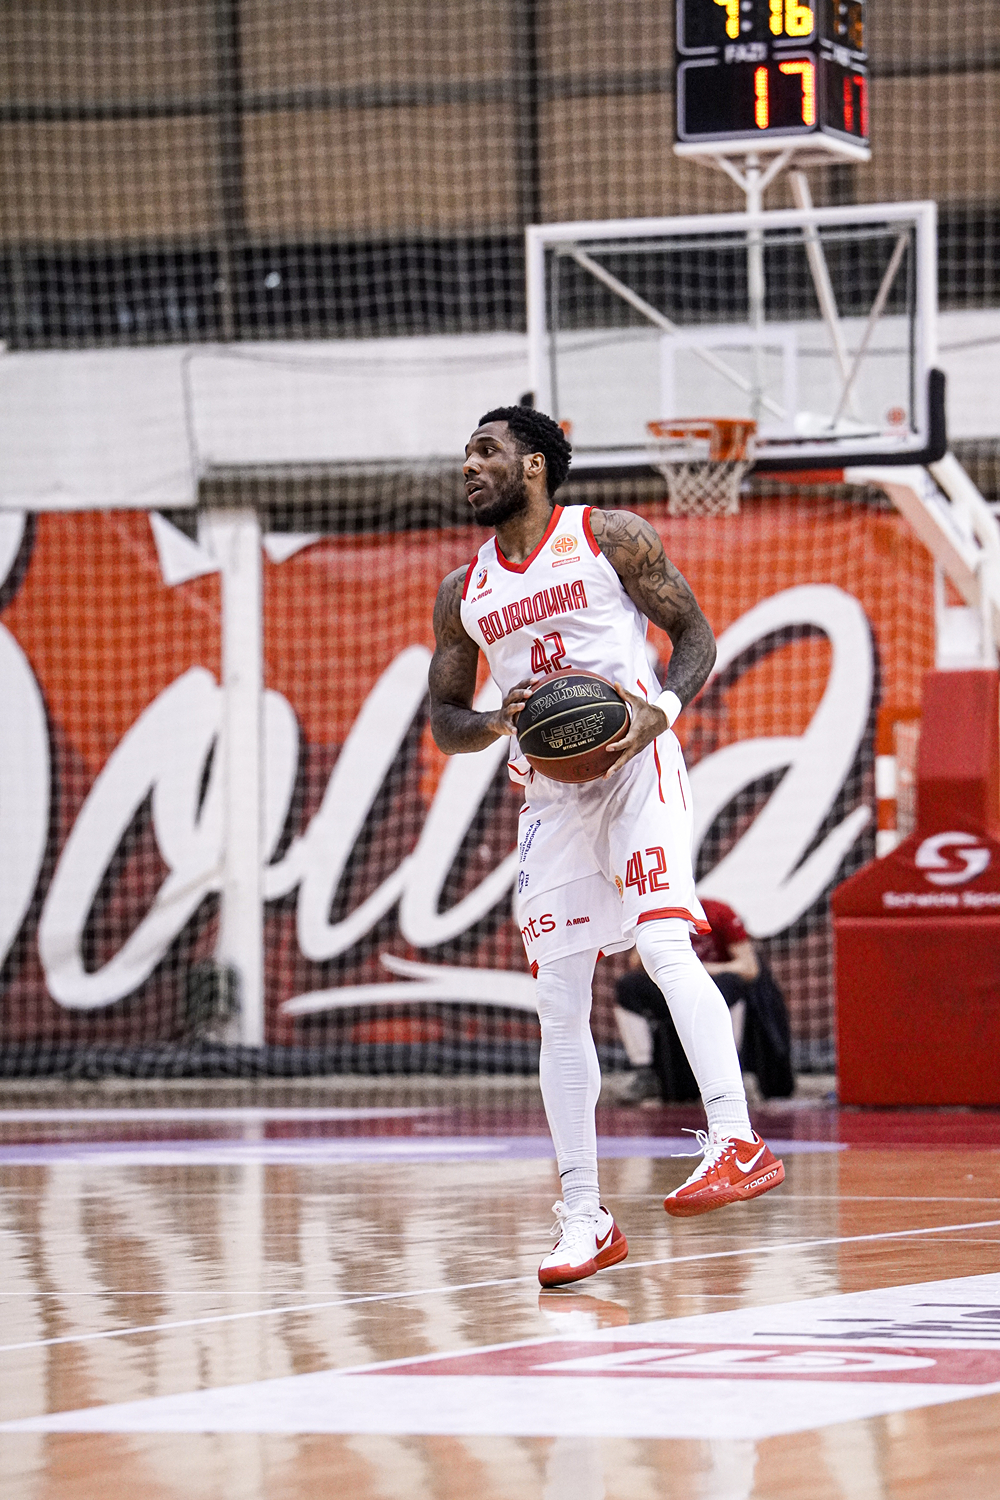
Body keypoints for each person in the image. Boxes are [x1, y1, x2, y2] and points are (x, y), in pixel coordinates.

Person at [428, 406, 784, 1289]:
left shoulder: (608, 537)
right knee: (558, 1001)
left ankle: (736, 1138)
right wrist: (495, 723)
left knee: (663, 944)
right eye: (465, 454)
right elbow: (444, 720)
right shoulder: (463, 591)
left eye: (486, 451)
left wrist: (657, 713)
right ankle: (585, 1216)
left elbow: (695, 636)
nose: (469, 465)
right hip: (551, 796)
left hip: (635, 765)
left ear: (535, 465)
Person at [615, 897, 795, 1103]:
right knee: (628, 986)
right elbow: (636, 962)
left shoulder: (719, 912)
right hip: (673, 985)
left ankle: (732, 1069)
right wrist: (652, 932)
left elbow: (750, 968)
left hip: (713, 985)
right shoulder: (665, 912)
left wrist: (705, 969)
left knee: (733, 984)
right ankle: (644, 1072)